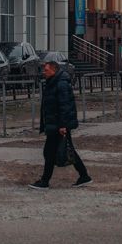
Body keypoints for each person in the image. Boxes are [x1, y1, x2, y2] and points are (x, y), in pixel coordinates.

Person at [31, 55, 91, 189]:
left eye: (46, 70)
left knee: (50, 152)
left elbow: (65, 105)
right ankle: (84, 175)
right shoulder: (54, 82)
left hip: (58, 125)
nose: (43, 72)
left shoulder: (60, 84)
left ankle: (45, 181)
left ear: (53, 70)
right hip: (55, 124)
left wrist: (63, 125)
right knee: (65, 150)